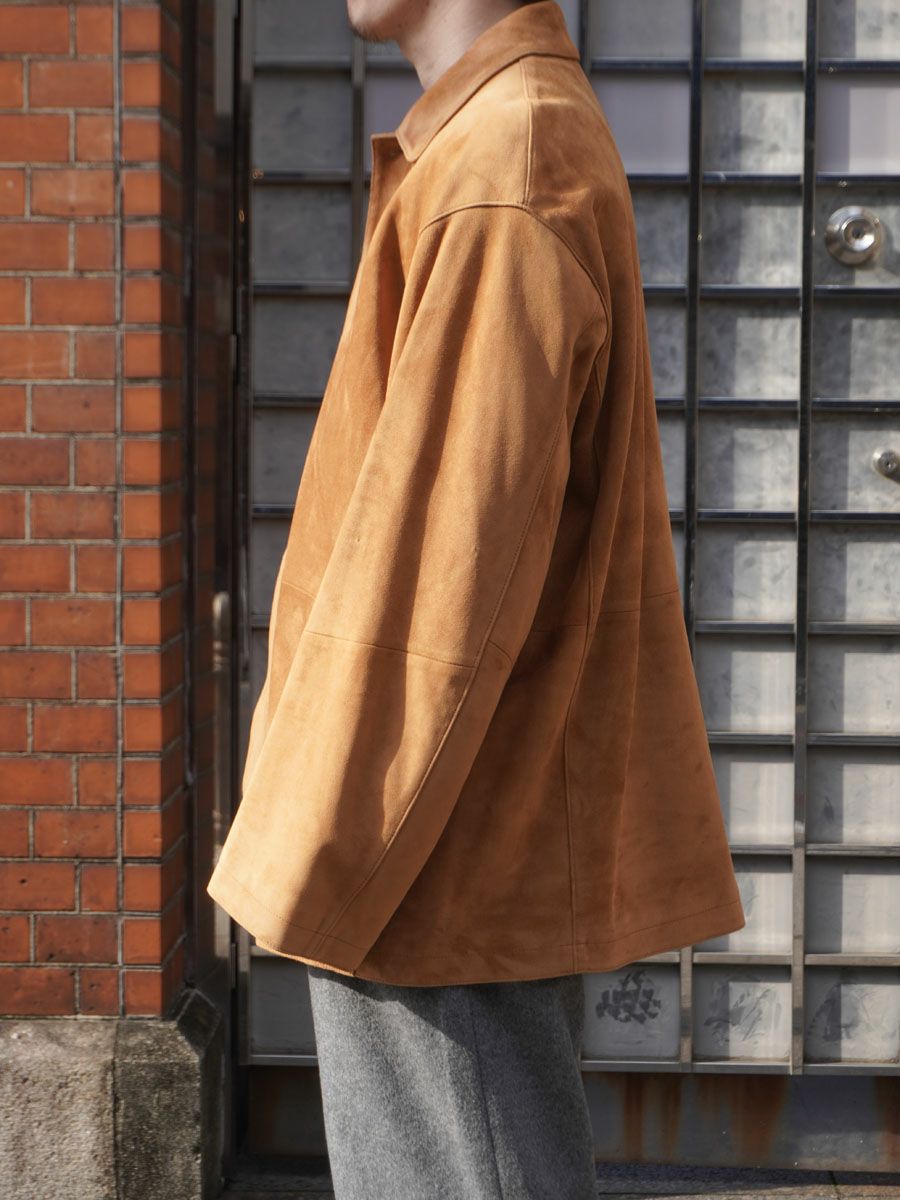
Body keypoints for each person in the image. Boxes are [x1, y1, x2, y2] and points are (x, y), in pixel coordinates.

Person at [207, 1, 746, 1195]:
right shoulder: (497, 143)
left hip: (426, 857)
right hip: (440, 836)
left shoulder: (506, 160)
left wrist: (325, 841)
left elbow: (442, 581)